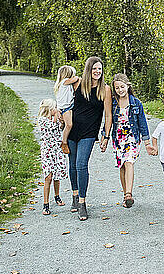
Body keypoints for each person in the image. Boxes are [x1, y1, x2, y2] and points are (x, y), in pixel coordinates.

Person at [67, 56, 112, 221]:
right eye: (94, 69)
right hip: (72, 129)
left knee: (81, 164)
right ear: (88, 70)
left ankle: (82, 203)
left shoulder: (105, 89)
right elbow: (61, 85)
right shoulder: (78, 84)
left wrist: (106, 135)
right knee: (72, 165)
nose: (97, 72)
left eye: (99, 69)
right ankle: (74, 194)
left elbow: (108, 114)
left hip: (89, 133)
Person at [111, 73, 155, 208]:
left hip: (132, 137)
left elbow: (142, 123)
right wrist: (104, 136)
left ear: (127, 86)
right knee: (122, 166)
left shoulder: (136, 103)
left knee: (129, 162)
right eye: (117, 88)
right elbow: (108, 120)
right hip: (118, 138)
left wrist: (147, 142)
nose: (120, 90)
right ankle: (125, 195)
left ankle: (129, 193)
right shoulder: (113, 102)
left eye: (122, 87)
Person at [37, 98, 68, 215]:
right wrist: (56, 116)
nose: (57, 109)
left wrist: (61, 119)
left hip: (57, 150)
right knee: (48, 177)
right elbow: (51, 126)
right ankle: (45, 204)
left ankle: (57, 196)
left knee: (57, 175)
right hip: (47, 152)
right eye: (55, 107)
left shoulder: (56, 120)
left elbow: (61, 126)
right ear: (50, 109)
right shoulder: (42, 120)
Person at [54, 65, 79, 155]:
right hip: (66, 108)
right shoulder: (65, 82)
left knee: (67, 125)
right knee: (69, 125)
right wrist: (77, 77)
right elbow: (75, 79)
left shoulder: (62, 84)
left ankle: (64, 138)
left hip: (65, 107)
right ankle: (64, 142)